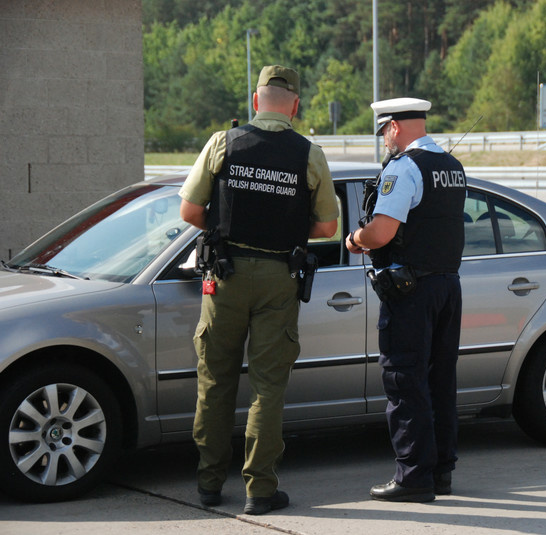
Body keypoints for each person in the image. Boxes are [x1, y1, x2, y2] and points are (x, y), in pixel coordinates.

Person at [179, 65, 338, 515]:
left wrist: (230, 225)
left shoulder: (222, 143)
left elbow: (190, 211)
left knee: (214, 381)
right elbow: (328, 226)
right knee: (268, 388)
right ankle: (260, 491)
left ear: (255, 101)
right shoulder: (309, 153)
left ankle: (209, 483)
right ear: (295, 106)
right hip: (277, 278)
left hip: (223, 275)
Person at [346, 97, 466, 503]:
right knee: (440, 380)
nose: (384, 143)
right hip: (448, 286)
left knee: (404, 379)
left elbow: (380, 233)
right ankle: (441, 472)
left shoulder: (404, 167)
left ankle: (414, 477)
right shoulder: (452, 166)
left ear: (394, 127)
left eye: (384, 133)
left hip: (411, 290)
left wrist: (354, 239)